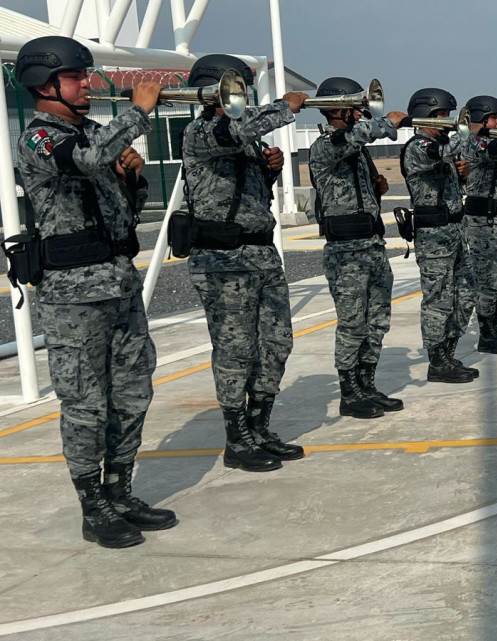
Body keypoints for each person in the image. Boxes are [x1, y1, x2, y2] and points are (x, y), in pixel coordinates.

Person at [15, 35, 175, 548]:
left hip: (119, 283)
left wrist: (132, 176)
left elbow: (120, 207)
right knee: (85, 403)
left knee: (132, 392)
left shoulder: (95, 134)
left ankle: (120, 490)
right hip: (73, 296)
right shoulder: (40, 137)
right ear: (45, 82)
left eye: (86, 75)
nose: (87, 82)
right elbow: (82, 160)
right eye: (76, 76)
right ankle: (93, 507)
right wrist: (138, 113)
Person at [181, 54, 308, 472]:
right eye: (233, 88)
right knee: (236, 350)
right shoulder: (200, 131)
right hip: (224, 259)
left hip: (260, 253)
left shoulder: (243, 139)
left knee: (276, 342)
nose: (241, 96)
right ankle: (237, 440)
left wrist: (268, 172)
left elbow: (247, 198)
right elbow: (234, 132)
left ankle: (259, 427)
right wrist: (283, 108)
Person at [308, 77, 407, 418]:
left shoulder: (358, 153)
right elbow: (351, 139)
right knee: (352, 325)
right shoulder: (325, 144)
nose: (360, 112)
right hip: (346, 251)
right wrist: (386, 123)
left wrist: (376, 189)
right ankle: (349, 393)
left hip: (372, 245)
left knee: (377, 321)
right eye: (354, 106)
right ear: (338, 110)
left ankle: (367, 384)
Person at [399, 88, 478, 383]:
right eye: (440, 116)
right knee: (439, 299)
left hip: (455, 232)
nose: (445, 121)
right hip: (433, 236)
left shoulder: (442, 149)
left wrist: (462, 173)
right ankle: (436, 359)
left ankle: (448, 351)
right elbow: (438, 153)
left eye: (447, 115)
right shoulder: (418, 146)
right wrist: (463, 134)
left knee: (465, 293)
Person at [460, 95, 497, 352]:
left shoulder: (491, 142)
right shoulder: (473, 144)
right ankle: (487, 334)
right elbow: (492, 150)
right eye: (494, 117)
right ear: (482, 119)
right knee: (487, 282)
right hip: (482, 224)